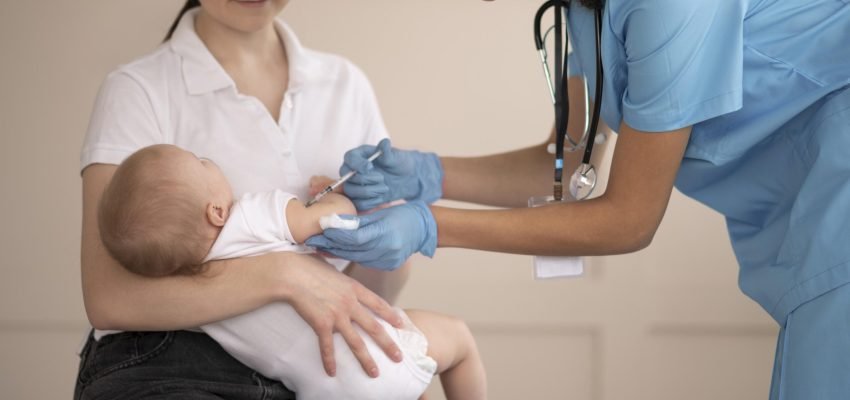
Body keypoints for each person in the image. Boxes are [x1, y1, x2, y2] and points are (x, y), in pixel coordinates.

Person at [306, 0, 850, 398]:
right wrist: (425, 174)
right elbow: (563, 165)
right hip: (803, 235)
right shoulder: (585, 13)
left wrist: (428, 226)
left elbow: (630, 220)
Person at [76, 1, 422, 398]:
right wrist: (283, 275)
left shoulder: (346, 85)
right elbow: (110, 298)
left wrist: (389, 243)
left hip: (315, 365)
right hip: (171, 365)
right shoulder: (139, 88)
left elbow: (366, 291)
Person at [95, 143, 486, 400]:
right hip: (379, 355)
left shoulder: (198, 298)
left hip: (325, 391)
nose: (208, 160)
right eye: (200, 162)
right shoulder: (250, 215)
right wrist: (334, 195)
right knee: (460, 340)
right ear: (215, 211)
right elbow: (330, 221)